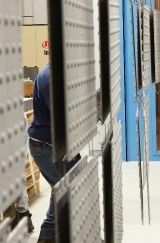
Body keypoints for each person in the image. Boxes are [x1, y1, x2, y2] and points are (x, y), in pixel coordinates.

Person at [27, 64, 80, 243]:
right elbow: (61, 115)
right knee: (65, 188)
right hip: (45, 146)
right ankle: (49, 235)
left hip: (55, 143)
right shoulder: (49, 77)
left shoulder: (60, 73)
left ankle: (51, 234)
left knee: (66, 187)